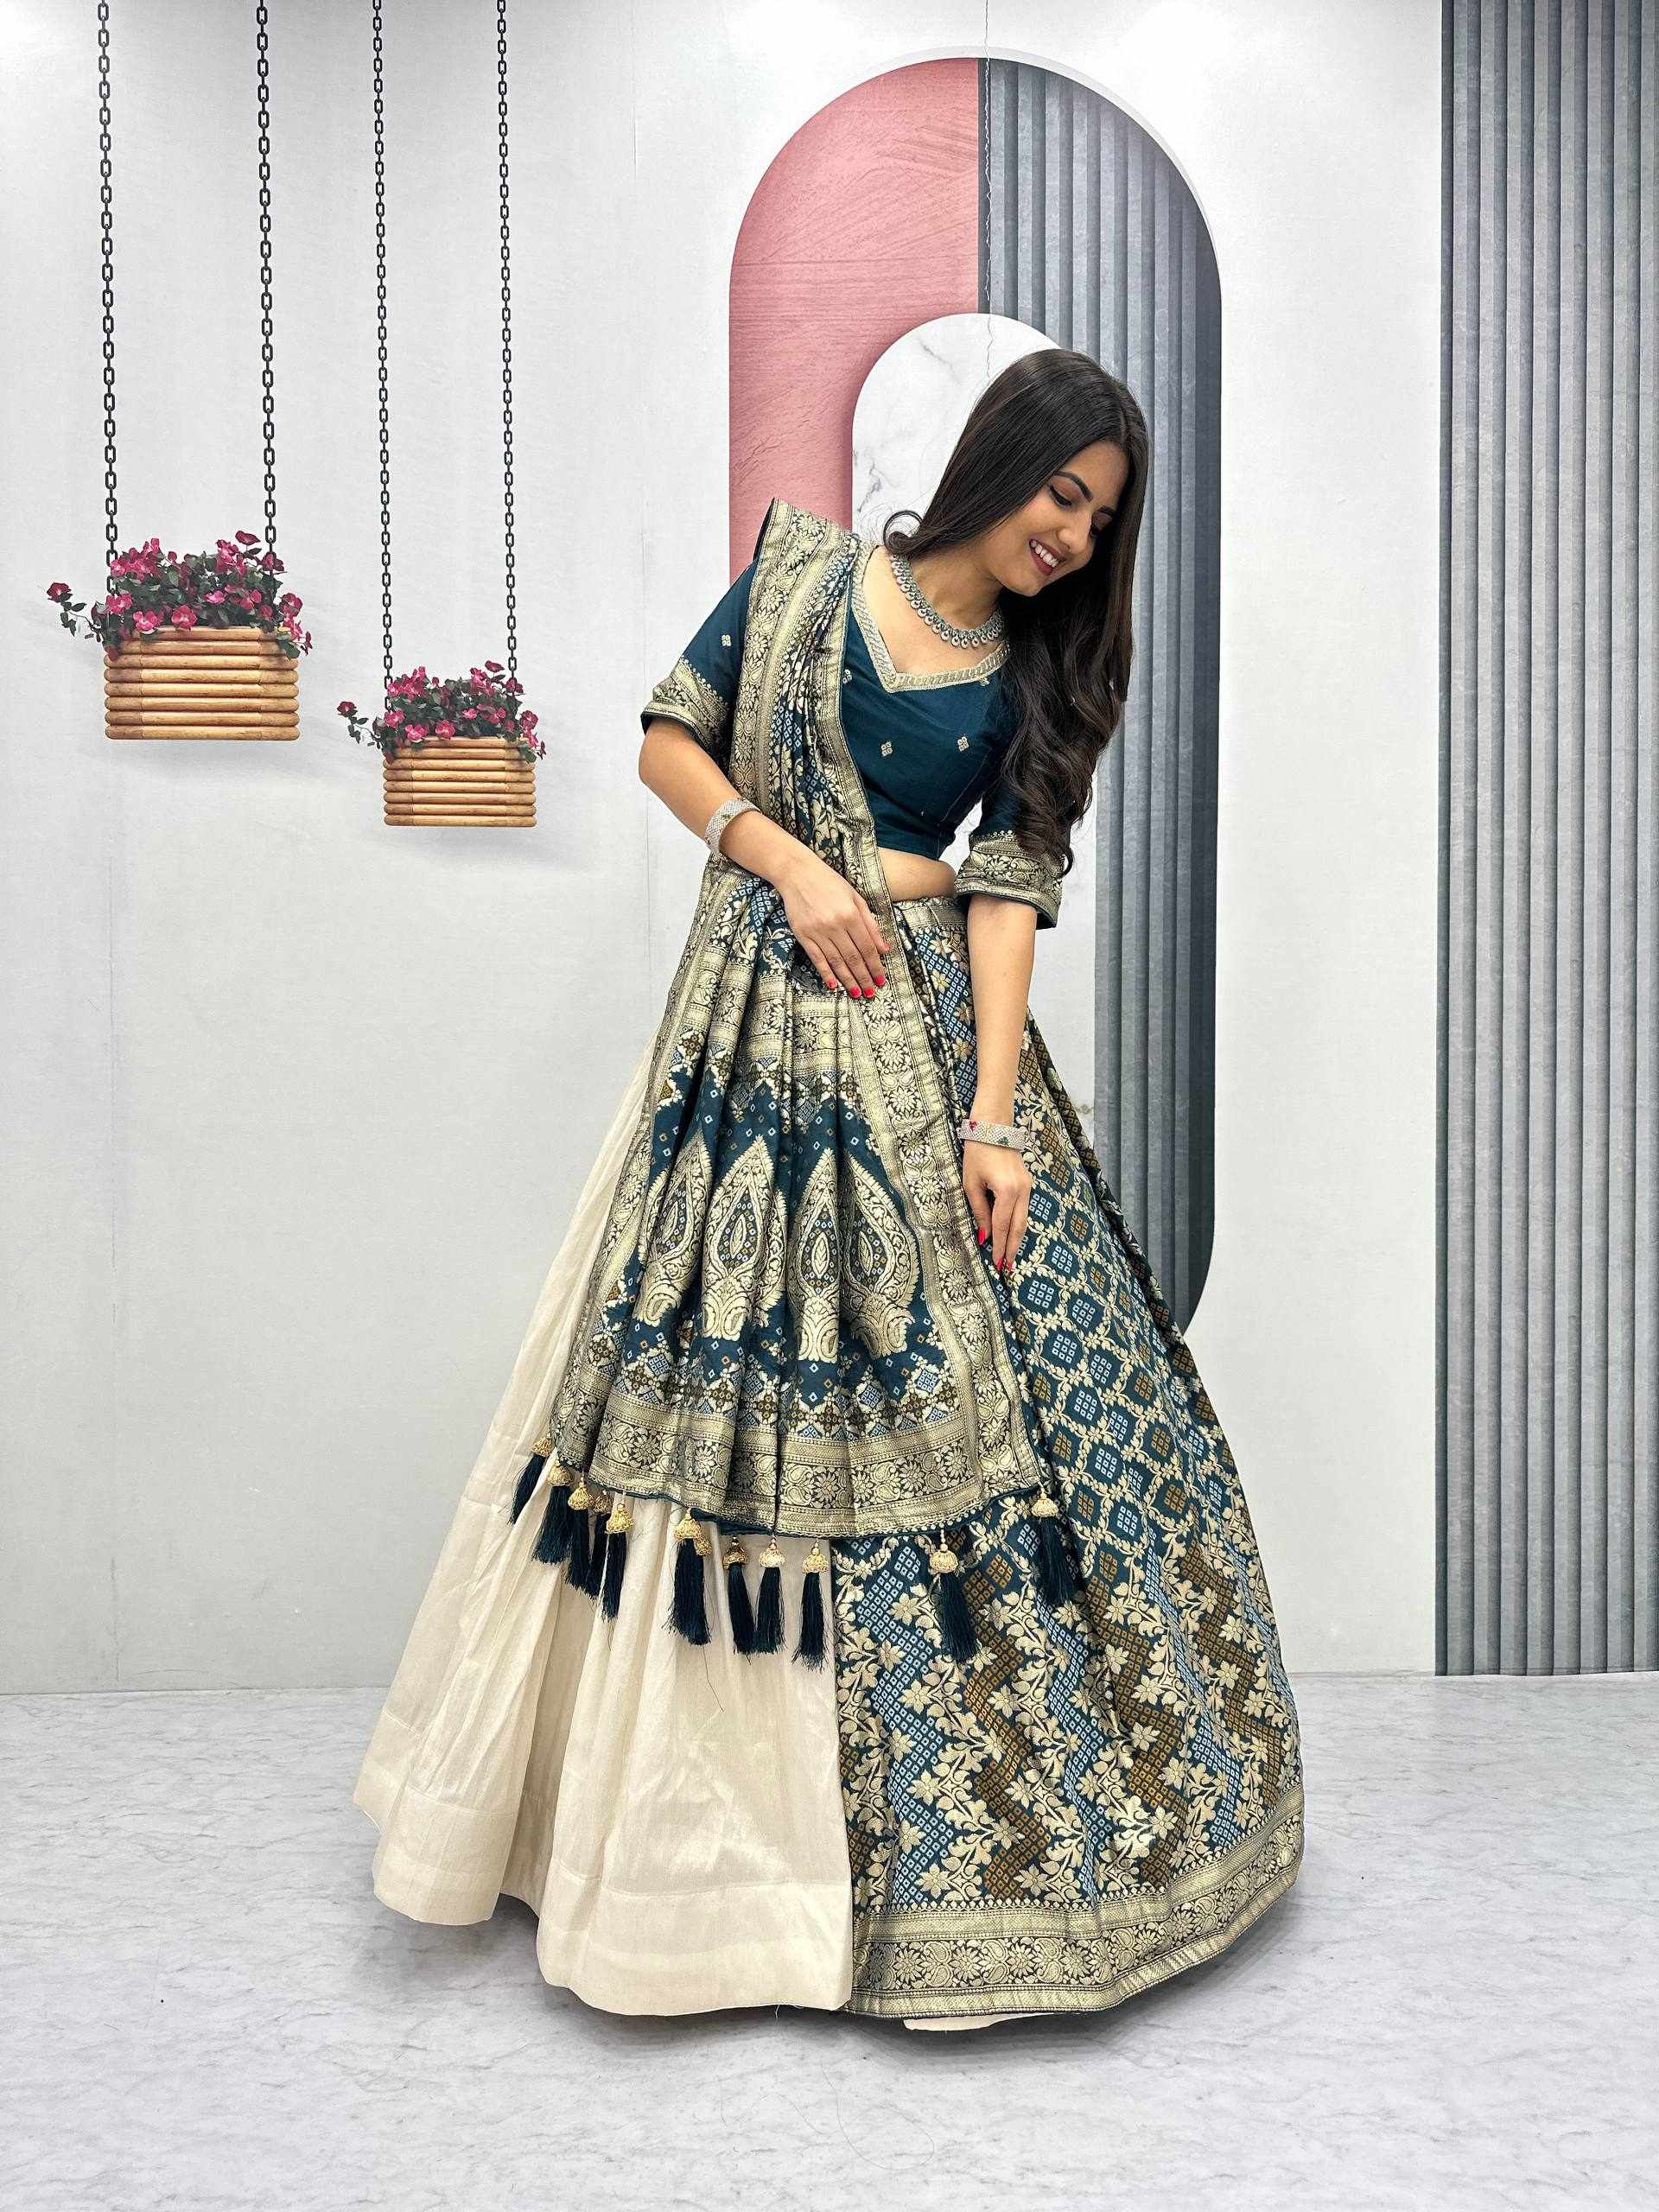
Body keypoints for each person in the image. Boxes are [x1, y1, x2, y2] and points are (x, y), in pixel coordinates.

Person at [353, 346, 1306, 2030]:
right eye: (1063, 494)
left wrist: (995, 1123)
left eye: (1103, 519)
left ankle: (976, 1867)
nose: (1076, 537)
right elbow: (670, 737)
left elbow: (1005, 888)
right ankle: (670, 1859)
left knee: (1016, 1405)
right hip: (741, 1041)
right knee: (687, 1403)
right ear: (999, 458)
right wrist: (790, 862)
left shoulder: (1039, 675)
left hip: (915, 1040)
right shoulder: (802, 573)